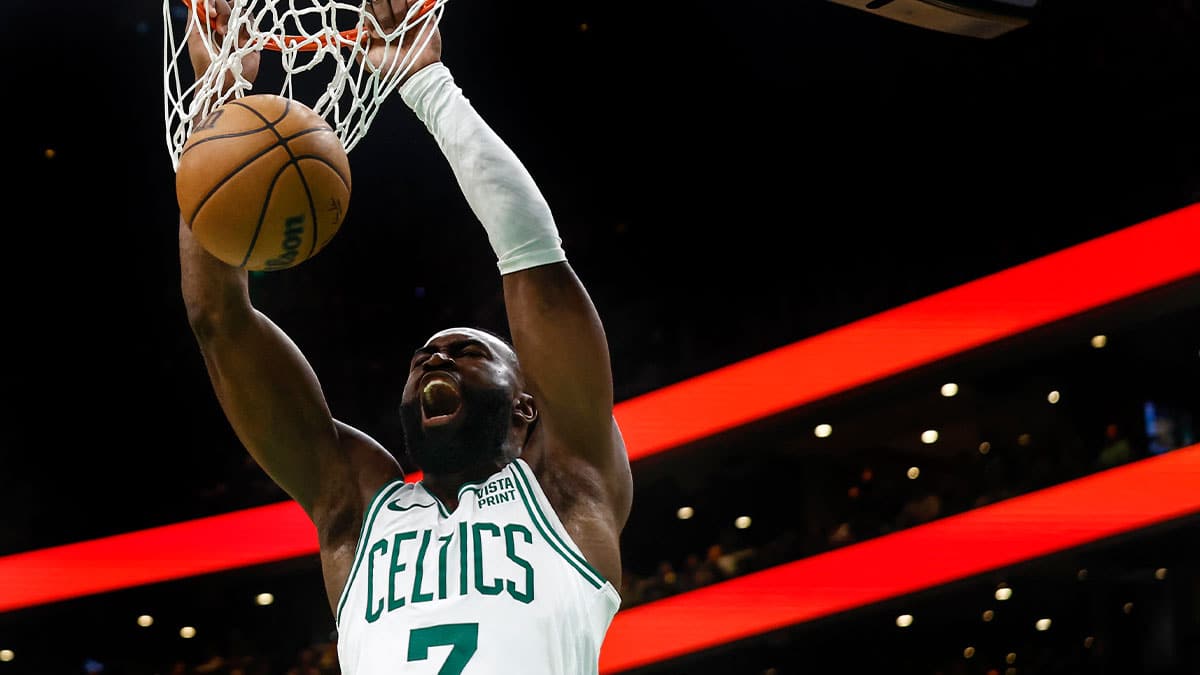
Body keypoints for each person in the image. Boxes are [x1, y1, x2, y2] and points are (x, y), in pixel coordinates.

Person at [178, 2, 633, 673]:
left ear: (526, 405)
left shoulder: (568, 491)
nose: (434, 358)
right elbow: (218, 319)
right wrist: (217, 99)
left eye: (468, 351)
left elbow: (535, 258)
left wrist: (428, 85)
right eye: (423, 358)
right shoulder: (359, 511)